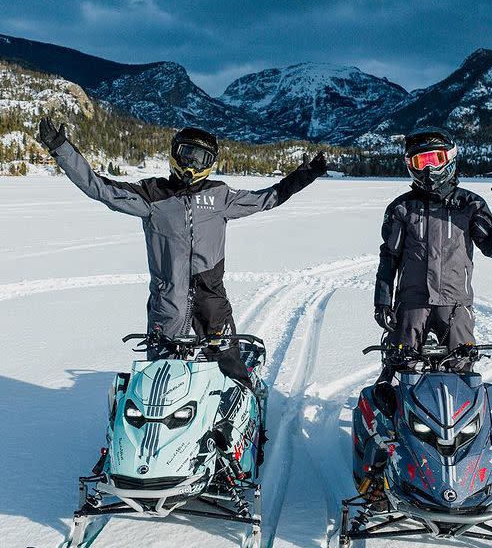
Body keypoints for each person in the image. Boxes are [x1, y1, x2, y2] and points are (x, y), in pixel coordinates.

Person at [38, 118, 327, 390]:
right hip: (167, 298)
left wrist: (306, 174)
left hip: (210, 295)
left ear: (210, 164)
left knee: (229, 364)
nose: (191, 163)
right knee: (161, 374)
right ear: (174, 154)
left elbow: (269, 197)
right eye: (187, 153)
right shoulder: (151, 195)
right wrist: (62, 150)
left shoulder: (220, 196)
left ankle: (244, 415)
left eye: (200, 158)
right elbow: (100, 188)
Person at [373, 127, 492, 384]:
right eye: (421, 161)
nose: (428, 168)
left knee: (463, 368)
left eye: (434, 159)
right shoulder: (402, 208)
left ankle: (463, 420)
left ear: (449, 158)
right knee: (402, 365)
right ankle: (395, 416)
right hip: (412, 302)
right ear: (411, 165)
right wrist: (382, 302)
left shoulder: (470, 204)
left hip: (455, 303)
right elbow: (389, 258)